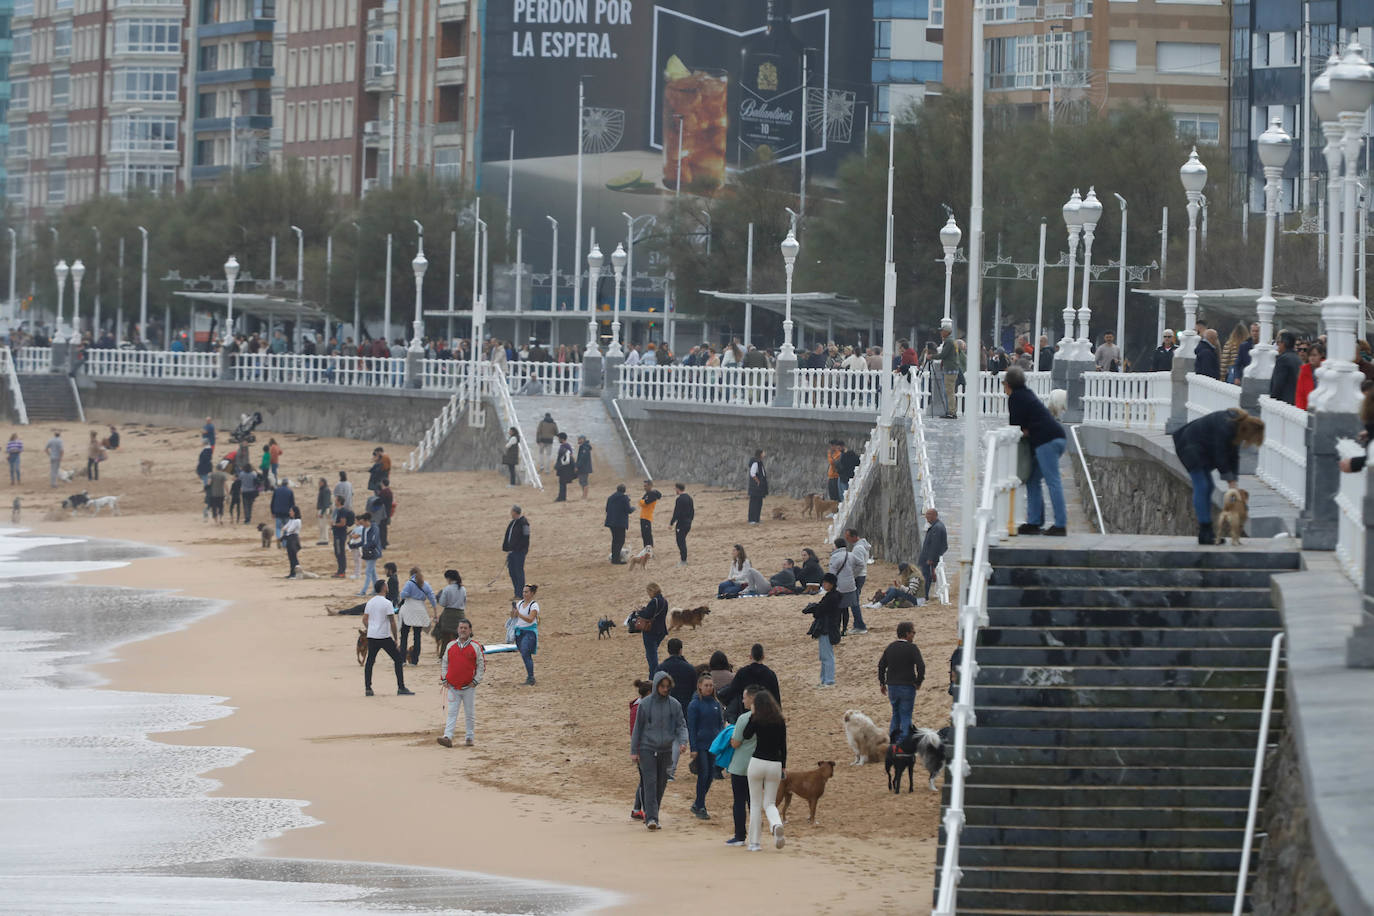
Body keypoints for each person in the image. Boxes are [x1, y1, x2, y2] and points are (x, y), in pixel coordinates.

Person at [1172, 407, 1265, 544]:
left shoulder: (1236, 426)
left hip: (1199, 447)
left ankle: (1207, 531)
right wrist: (1231, 483)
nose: (1248, 442)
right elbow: (1220, 455)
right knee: (1202, 486)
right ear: (1248, 431)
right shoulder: (1226, 426)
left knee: (1208, 486)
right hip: (1188, 445)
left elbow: (1233, 456)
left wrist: (1234, 483)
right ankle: (1205, 531)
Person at [1005, 365, 1068, 536]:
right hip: (1055, 437)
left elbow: (1017, 428)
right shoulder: (1027, 393)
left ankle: (1060, 525)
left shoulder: (1015, 398)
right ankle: (1034, 521)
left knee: (1053, 481)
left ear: (1008, 384)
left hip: (1046, 441)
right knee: (1033, 479)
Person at [630, 670, 689, 831]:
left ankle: (652, 812)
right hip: (646, 748)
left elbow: (681, 725)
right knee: (649, 782)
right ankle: (652, 818)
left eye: (667, 687)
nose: (665, 689)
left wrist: (683, 741)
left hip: (666, 749)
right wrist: (634, 751)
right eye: (662, 686)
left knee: (661, 784)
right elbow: (638, 728)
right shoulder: (645, 704)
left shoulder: (674, 704)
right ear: (656, 686)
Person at [741, 689, 787, 851]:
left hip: (758, 761)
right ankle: (776, 825)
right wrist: (783, 766)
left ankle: (754, 843)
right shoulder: (780, 720)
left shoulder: (757, 719)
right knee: (770, 803)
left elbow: (746, 735)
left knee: (755, 804)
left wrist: (752, 715)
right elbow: (783, 746)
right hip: (775, 763)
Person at [361, 578, 414, 697]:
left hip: (372, 636)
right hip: (384, 636)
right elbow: (392, 622)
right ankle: (401, 687)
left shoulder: (371, 602)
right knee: (398, 659)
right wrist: (396, 638)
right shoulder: (387, 603)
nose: (387, 586)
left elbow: (364, 619)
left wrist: (371, 628)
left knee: (370, 661)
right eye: (386, 585)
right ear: (383, 588)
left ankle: (368, 688)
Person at [438, 619, 484, 748]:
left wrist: (476, 680)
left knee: (469, 714)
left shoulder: (475, 646)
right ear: (457, 630)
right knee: (452, 712)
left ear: (470, 630)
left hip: (469, 687)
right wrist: (444, 679)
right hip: (453, 686)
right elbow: (445, 662)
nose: (463, 630)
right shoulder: (450, 645)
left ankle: (469, 737)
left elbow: (481, 665)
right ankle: (447, 736)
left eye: (465, 628)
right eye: (461, 628)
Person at [878, 621, 926, 744]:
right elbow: (921, 666)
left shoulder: (891, 647)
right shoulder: (912, 648)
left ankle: (893, 742)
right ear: (907, 633)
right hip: (907, 686)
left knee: (895, 714)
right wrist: (919, 681)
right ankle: (904, 743)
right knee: (906, 715)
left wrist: (882, 683)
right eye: (913, 632)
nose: (914, 635)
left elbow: (881, 665)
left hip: (892, 686)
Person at [687, 672, 725, 821]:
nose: (709, 688)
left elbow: (720, 724)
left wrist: (721, 743)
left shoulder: (716, 704)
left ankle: (697, 803)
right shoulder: (694, 704)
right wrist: (693, 748)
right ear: (700, 687)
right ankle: (701, 806)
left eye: (711, 685)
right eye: (706, 685)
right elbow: (692, 728)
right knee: (703, 774)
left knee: (710, 775)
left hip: (714, 745)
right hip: (701, 745)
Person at [801, 573, 844, 687]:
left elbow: (821, 610)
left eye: (826, 582)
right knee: (825, 655)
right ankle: (825, 680)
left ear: (831, 584)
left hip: (827, 629)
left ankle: (828, 680)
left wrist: (813, 609)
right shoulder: (833, 596)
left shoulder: (831, 597)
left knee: (827, 656)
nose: (823, 584)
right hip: (828, 628)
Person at [719, 644, 781, 720]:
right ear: (763, 657)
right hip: (766, 714)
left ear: (750, 657)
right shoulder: (770, 674)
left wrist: (720, 694)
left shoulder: (742, 672)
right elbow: (776, 697)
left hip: (746, 713)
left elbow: (732, 690)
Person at [397, 567, 439, 666]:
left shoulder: (409, 583)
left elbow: (403, 595)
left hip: (408, 610)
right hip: (420, 610)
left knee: (404, 636)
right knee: (417, 636)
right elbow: (432, 598)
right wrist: (435, 612)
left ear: (411, 574)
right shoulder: (426, 584)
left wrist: (407, 594)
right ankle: (414, 661)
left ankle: (402, 660)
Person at [829, 536, 866, 636]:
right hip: (850, 585)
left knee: (838, 609)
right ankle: (844, 630)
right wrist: (853, 574)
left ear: (836, 546)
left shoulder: (834, 557)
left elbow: (832, 574)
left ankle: (837, 629)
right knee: (846, 608)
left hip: (839, 586)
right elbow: (861, 564)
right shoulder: (850, 555)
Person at [633, 582, 669, 676]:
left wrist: (639, 611)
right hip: (661, 631)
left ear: (651, 591)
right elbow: (656, 614)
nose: (648, 594)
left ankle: (653, 678)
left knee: (652, 657)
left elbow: (647, 615)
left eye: (648, 592)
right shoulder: (664, 601)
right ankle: (654, 676)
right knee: (653, 654)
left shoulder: (654, 601)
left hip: (651, 631)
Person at [510, 583, 540, 686]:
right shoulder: (520, 603)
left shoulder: (534, 605)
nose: (524, 594)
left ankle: (531, 677)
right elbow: (513, 617)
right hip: (520, 631)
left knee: (526, 652)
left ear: (532, 593)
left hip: (529, 632)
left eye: (526, 592)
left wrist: (519, 614)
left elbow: (530, 619)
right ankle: (530, 676)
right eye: (523, 592)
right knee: (524, 653)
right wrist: (513, 611)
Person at [843, 528, 872, 634]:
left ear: (854, 537)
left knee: (853, 602)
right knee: (854, 601)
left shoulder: (858, 548)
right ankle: (858, 625)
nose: (847, 540)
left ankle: (860, 626)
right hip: (861, 576)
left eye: (848, 537)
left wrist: (852, 575)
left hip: (858, 576)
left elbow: (860, 565)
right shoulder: (860, 546)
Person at [917, 508, 948, 603]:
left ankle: (924, 596)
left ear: (935, 515)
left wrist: (931, 558)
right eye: (926, 515)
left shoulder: (937, 528)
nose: (927, 517)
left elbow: (935, 544)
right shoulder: (936, 526)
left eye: (929, 515)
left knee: (925, 577)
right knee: (925, 576)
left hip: (928, 558)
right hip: (927, 557)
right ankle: (924, 595)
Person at [434, 569, 468, 653]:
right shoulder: (463, 589)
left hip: (448, 615)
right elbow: (464, 602)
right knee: (460, 636)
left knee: (446, 637)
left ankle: (444, 655)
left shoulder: (447, 589)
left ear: (449, 578)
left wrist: (438, 598)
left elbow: (442, 603)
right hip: (460, 614)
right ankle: (461, 654)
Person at [1269, 331, 1301, 405]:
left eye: (1278, 342)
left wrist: (1272, 399)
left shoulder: (1283, 359)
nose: (1277, 345)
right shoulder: (1297, 358)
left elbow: (1278, 384)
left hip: (1284, 402)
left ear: (1283, 343)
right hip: (1294, 401)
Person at [604, 484, 632, 564]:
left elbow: (606, 509)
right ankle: (616, 559)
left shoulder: (610, 497)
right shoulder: (624, 498)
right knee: (620, 541)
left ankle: (614, 558)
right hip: (620, 523)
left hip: (611, 522)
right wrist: (633, 508)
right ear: (624, 490)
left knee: (615, 540)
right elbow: (628, 510)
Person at [355, 512, 382, 595]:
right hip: (367, 553)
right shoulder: (364, 528)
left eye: (362, 522)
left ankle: (363, 591)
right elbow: (363, 541)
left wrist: (364, 546)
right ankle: (376, 590)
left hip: (373, 552)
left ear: (367, 521)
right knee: (372, 572)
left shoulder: (374, 528)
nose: (361, 524)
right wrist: (355, 545)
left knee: (368, 572)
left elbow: (374, 542)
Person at [669, 482, 694, 566]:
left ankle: (683, 561)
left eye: (675, 489)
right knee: (682, 541)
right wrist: (690, 520)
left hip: (681, 524)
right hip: (688, 523)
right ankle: (683, 560)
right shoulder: (689, 498)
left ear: (678, 489)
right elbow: (692, 511)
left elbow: (676, 512)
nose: (675, 490)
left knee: (680, 542)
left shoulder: (679, 499)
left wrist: (671, 523)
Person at [937, 325, 959, 419]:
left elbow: (943, 354)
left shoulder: (948, 341)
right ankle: (951, 411)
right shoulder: (952, 341)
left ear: (946, 332)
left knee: (949, 392)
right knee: (951, 392)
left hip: (949, 370)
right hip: (953, 368)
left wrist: (932, 356)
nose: (940, 333)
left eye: (942, 331)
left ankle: (951, 412)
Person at [329, 495, 354, 577]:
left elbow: (343, 523)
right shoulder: (338, 510)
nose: (334, 501)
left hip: (340, 535)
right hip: (338, 534)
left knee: (340, 553)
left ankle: (342, 572)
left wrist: (334, 525)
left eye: (336, 500)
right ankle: (340, 571)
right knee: (338, 552)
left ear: (339, 501)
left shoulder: (342, 511)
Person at [1295, 342, 1324, 410]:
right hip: (1307, 409)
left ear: (1321, 355)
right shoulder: (1304, 370)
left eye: (1314, 355)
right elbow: (1300, 394)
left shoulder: (1327, 370)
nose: (1312, 358)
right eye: (1310, 355)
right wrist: (1300, 410)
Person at [270, 478, 296, 544]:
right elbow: (292, 504)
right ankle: (284, 543)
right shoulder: (290, 491)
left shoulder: (276, 490)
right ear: (287, 484)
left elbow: (272, 502)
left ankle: (278, 537)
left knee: (278, 528)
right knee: (286, 529)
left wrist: (272, 512)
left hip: (278, 512)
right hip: (287, 513)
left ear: (281, 483)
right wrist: (292, 512)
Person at [638, 479, 661, 549]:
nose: (644, 487)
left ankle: (649, 549)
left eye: (646, 486)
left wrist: (641, 501)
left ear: (650, 486)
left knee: (647, 535)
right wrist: (642, 501)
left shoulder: (652, 494)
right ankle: (646, 549)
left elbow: (645, 503)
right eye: (644, 486)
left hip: (647, 517)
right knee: (644, 535)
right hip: (643, 516)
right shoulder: (647, 494)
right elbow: (642, 502)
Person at [553, 433, 576, 502]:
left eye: (559, 438)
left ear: (562, 439)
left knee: (562, 483)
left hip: (565, 467)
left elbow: (569, 457)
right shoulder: (566, 446)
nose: (558, 439)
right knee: (562, 483)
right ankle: (562, 497)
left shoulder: (565, 446)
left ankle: (561, 497)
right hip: (564, 467)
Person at [747, 449, 767, 524]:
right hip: (755, 487)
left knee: (759, 503)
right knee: (754, 503)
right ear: (760, 454)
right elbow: (752, 473)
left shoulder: (759, 462)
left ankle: (757, 518)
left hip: (759, 487)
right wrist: (758, 481)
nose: (764, 454)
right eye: (763, 452)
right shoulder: (755, 462)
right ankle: (752, 519)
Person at [281, 506, 303, 576]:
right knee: (291, 557)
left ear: (295, 512)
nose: (289, 512)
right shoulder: (292, 520)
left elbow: (289, 529)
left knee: (293, 557)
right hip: (290, 538)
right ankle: (292, 572)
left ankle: (296, 573)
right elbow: (285, 528)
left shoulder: (297, 521)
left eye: (291, 511)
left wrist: (286, 529)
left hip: (293, 539)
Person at [576, 435, 593, 499]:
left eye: (579, 439)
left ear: (582, 439)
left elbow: (582, 458)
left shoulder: (585, 447)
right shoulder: (583, 447)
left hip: (584, 468)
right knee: (581, 481)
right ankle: (584, 494)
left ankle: (585, 496)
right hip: (583, 467)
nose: (578, 441)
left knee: (584, 481)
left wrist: (577, 466)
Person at [315, 479, 332, 545]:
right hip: (322, 509)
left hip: (323, 509)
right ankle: (322, 539)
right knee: (321, 525)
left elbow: (326, 502)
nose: (319, 484)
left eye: (320, 482)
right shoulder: (323, 490)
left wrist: (322, 512)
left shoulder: (325, 490)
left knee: (323, 525)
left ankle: (325, 539)